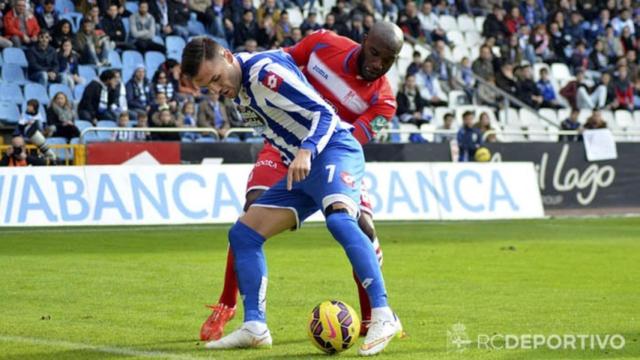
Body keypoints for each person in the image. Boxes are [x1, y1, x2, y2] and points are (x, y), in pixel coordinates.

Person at [182, 35, 402, 356]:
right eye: (207, 87)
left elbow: (324, 112)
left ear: (228, 56)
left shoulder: (264, 73)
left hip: (334, 148)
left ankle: (384, 315)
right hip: (302, 168)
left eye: (216, 79)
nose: (216, 90)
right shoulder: (241, 90)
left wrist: (306, 150)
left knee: (341, 220)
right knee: (243, 234)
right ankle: (255, 326)